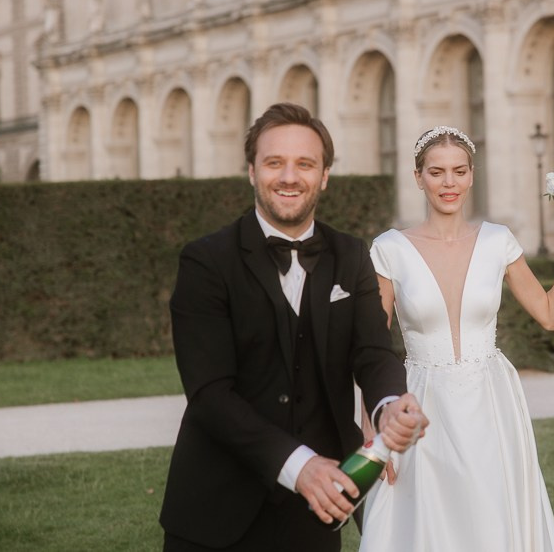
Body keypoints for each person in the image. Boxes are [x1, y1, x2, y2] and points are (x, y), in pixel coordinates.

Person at [160, 102, 427, 552]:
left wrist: (388, 407)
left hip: (317, 515)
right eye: (274, 163)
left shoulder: (351, 255)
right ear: (251, 171)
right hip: (215, 513)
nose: (289, 177)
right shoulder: (206, 261)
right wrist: (299, 466)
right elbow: (209, 393)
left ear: (324, 175)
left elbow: (373, 353)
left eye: (305, 163)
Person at [358, 125, 554, 551]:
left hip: (491, 401)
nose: (448, 183)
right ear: (418, 177)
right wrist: (373, 436)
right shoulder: (389, 249)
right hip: (419, 400)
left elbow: (550, 316)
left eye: (458, 171)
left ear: (472, 175)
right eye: (436, 172)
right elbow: (370, 351)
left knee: (492, 515)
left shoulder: (498, 241)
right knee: (425, 521)